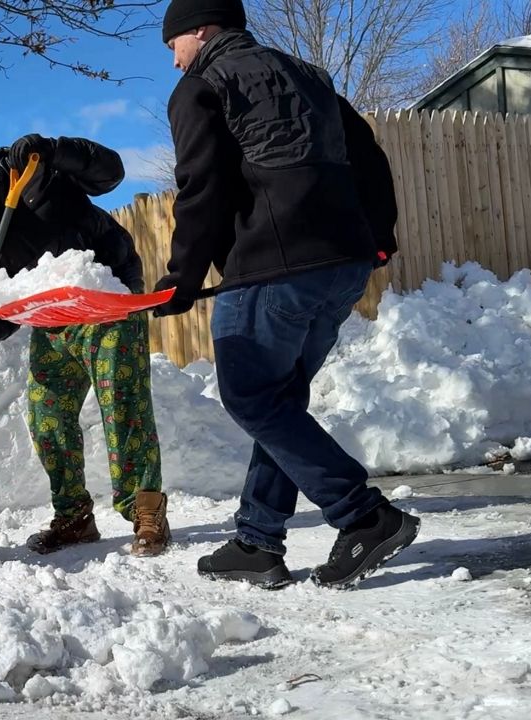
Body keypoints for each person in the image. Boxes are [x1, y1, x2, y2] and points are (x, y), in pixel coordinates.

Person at [155, 0, 418, 589]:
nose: (174, 61)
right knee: (281, 404)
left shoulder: (202, 86)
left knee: (252, 399)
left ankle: (364, 516)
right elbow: (369, 158)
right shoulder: (309, 74)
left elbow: (203, 188)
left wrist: (183, 278)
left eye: (174, 44)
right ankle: (256, 540)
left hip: (271, 267)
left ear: (200, 28)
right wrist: (377, 238)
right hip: (342, 264)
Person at [0, 135, 168, 556]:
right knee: (46, 414)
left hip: (106, 295)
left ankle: (145, 510)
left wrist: (58, 151)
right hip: (54, 318)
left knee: (122, 402)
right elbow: (9, 299)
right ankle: (74, 517)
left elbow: (111, 172)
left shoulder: (35, 169)